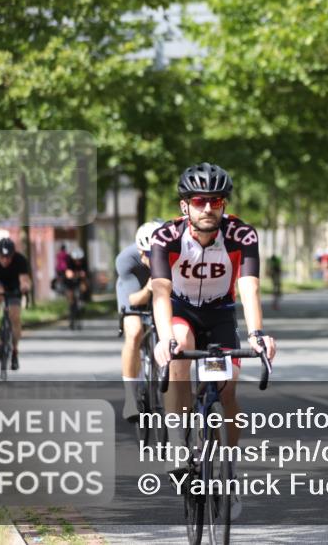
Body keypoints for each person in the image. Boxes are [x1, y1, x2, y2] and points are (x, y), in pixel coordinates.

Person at [150, 162, 277, 516]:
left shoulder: (242, 235)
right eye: (200, 200)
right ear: (185, 205)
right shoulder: (166, 238)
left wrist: (257, 334)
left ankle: (230, 474)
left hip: (221, 313)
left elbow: (249, 287)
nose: (208, 208)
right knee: (179, 346)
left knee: (227, 389)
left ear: (224, 204)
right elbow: (160, 292)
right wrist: (163, 340)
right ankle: (178, 442)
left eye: (216, 201)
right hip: (180, 309)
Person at [117, 221, 161, 422]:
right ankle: (130, 398)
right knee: (134, 332)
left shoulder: (174, 252)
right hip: (135, 291)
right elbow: (133, 300)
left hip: (161, 290)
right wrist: (150, 288)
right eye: (143, 252)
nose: (146, 258)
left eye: (151, 254)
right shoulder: (127, 260)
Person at [0, 238, 31, 370]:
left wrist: (24, 287)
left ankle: (15, 351)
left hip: (15, 288)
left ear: (13, 255)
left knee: (15, 317)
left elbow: (24, 280)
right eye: (2, 257)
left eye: (8, 257)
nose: (5, 260)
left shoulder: (20, 260)